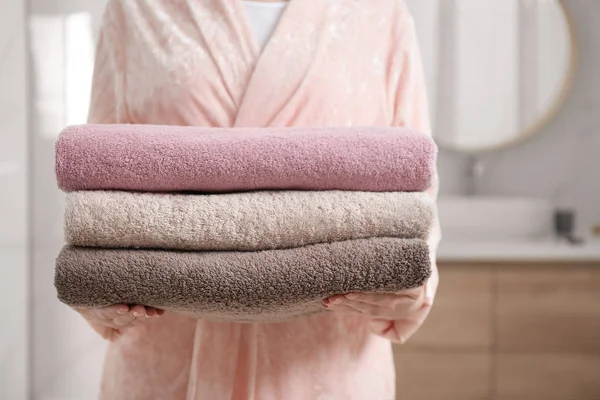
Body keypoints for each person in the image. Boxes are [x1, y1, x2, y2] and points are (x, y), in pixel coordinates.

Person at [76, 0, 441, 398]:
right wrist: (97, 285)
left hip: (323, 370)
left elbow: (414, 189)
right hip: (170, 366)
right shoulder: (137, 9)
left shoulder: (380, 13)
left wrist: (410, 292)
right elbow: (102, 182)